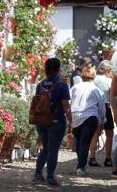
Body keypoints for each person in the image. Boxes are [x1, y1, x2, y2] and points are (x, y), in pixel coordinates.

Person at [33, 58, 73, 188]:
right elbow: (65, 104)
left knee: (45, 148)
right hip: (56, 121)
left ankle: (38, 174)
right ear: (58, 69)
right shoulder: (62, 85)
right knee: (53, 150)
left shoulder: (40, 85)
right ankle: (50, 177)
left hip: (41, 121)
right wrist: (70, 120)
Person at [70, 66, 106, 176]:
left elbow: (69, 101)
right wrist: (102, 120)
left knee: (80, 142)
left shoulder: (75, 87)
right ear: (93, 75)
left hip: (76, 117)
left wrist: (69, 118)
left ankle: (81, 164)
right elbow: (101, 105)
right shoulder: (95, 89)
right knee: (84, 143)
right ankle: (81, 167)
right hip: (90, 116)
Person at [89, 60, 115, 167]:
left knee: (96, 132)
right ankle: (108, 158)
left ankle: (92, 157)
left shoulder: (95, 79)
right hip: (106, 105)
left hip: (95, 106)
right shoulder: (109, 81)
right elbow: (113, 94)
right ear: (107, 70)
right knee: (109, 133)